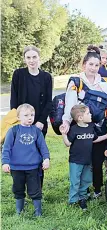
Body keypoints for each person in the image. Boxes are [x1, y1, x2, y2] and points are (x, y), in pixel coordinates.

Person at [60, 45, 107, 199]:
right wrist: (66, 122)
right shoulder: (76, 82)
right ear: (84, 65)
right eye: (90, 64)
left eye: (97, 65)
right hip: (81, 127)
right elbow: (70, 105)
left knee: (97, 161)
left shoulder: (105, 82)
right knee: (82, 161)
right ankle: (78, 191)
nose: (93, 68)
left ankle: (97, 189)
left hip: (99, 126)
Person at [10, 45, 53, 188]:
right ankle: (21, 186)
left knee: (38, 153)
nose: (32, 60)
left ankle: (37, 188)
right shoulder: (18, 75)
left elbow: (48, 102)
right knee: (21, 153)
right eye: (28, 57)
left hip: (39, 123)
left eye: (34, 57)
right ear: (24, 59)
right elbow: (14, 99)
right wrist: (17, 120)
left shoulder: (46, 77)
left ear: (39, 58)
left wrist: (41, 121)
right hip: (21, 122)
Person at [2, 104, 50, 216]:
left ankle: (38, 211)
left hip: (33, 167)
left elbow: (43, 146)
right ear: (18, 117)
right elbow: (6, 148)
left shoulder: (36, 131)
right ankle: (19, 210)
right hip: (16, 168)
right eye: (26, 115)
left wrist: (46, 159)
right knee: (18, 189)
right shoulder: (13, 131)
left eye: (32, 115)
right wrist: (5, 162)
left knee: (35, 190)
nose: (30, 118)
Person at [60, 105, 107, 210]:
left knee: (86, 180)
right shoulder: (74, 129)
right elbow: (68, 143)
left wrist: (106, 136)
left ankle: (83, 197)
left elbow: (94, 139)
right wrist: (64, 134)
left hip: (87, 160)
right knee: (75, 181)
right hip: (75, 161)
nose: (91, 115)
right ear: (80, 118)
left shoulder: (91, 127)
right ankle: (73, 200)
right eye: (88, 113)